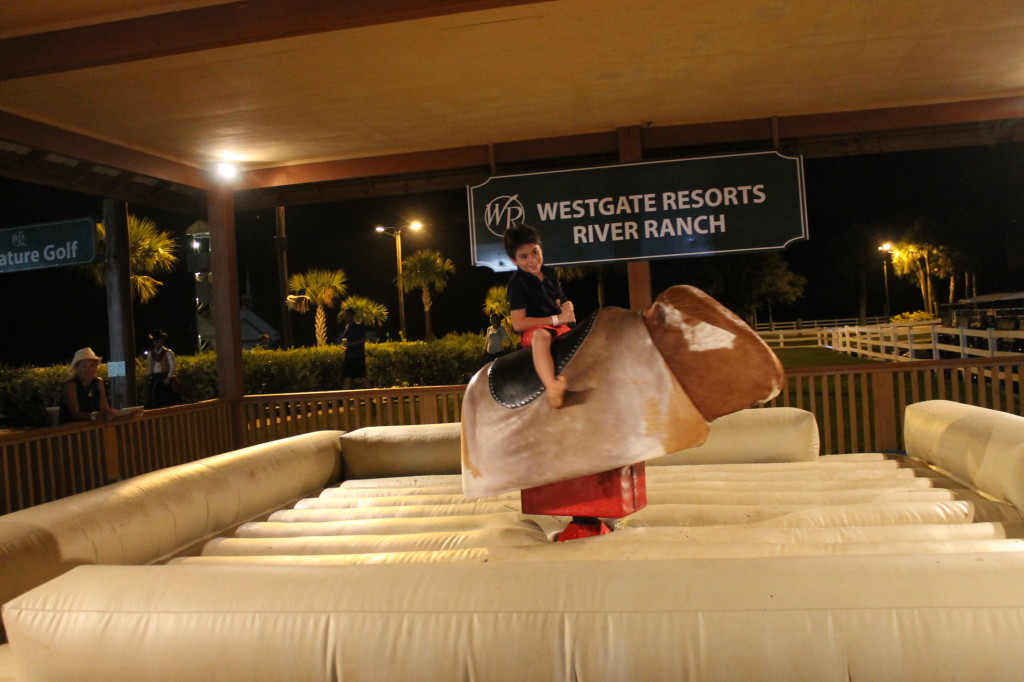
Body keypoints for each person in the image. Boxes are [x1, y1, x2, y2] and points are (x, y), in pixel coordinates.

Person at [503, 223, 576, 408]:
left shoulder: (550, 273)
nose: (532, 260)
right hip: (535, 331)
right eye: (524, 256)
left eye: (535, 252)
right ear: (514, 260)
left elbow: (560, 299)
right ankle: (552, 387)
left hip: (559, 327)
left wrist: (567, 306)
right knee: (541, 335)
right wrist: (556, 319)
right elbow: (518, 323)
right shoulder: (517, 283)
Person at [59, 347, 121, 423]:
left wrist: (120, 414)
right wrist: (96, 416)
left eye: (92, 366)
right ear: (77, 369)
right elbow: (75, 415)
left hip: (94, 428)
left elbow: (104, 409)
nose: (88, 370)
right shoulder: (70, 385)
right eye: (84, 366)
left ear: (96, 368)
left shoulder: (98, 382)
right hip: (71, 430)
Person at [146, 329, 179, 408]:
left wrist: (168, 377)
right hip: (155, 378)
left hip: (165, 377)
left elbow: (172, 366)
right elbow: (150, 366)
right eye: (155, 341)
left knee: (168, 400)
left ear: (162, 341)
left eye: (158, 340)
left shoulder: (168, 352)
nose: (156, 342)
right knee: (154, 400)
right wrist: (149, 375)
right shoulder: (151, 354)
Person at [339, 308, 367, 390]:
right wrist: (344, 346)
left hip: (357, 356)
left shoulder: (358, 326)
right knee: (347, 376)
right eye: (345, 315)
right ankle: (345, 398)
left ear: (352, 316)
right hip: (349, 356)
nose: (345, 317)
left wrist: (351, 344)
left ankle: (371, 396)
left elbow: (363, 340)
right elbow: (346, 340)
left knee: (362, 376)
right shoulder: (347, 327)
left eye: (347, 315)